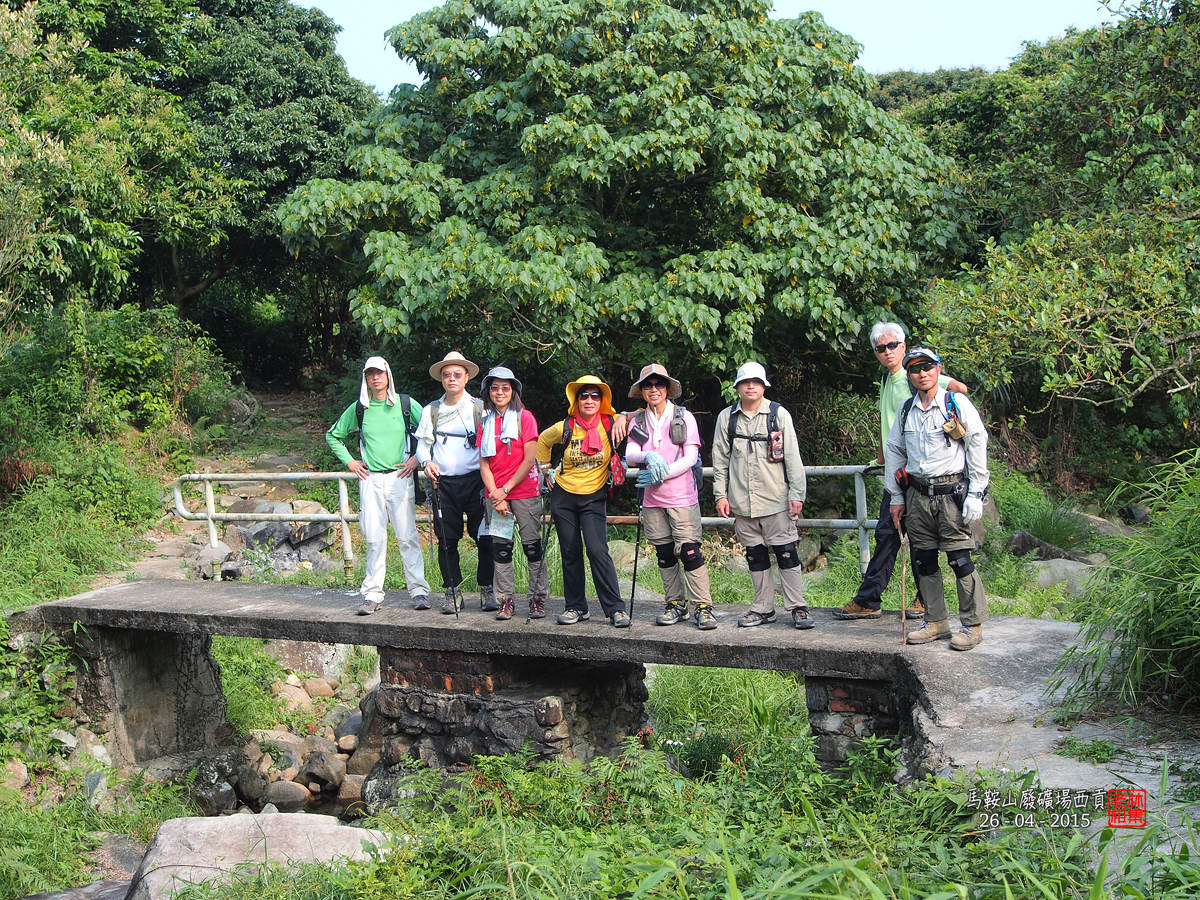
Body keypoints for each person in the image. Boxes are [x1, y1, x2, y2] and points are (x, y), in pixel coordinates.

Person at [836, 322, 969, 621]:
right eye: (881, 348)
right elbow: (889, 423)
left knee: (915, 538)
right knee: (890, 535)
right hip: (899, 475)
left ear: (903, 346)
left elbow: (958, 388)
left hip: (920, 474)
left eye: (892, 345)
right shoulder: (888, 378)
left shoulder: (913, 376)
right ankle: (873, 599)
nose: (887, 352)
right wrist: (883, 457)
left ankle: (912, 599)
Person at [884, 347, 990, 650]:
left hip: (951, 493)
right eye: (915, 369)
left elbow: (976, 442)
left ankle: (972, 625)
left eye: (927, 367)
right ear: (909, 375)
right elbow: (895, 451)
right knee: (924, 560)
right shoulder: (906, 409)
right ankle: (936, 621)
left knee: (959, 559)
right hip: (917, 495)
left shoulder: (955, 403)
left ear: (938, 369)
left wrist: (976, 492)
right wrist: (895, 497)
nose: (922, 373)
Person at [712, 362, 813, 629]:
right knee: (755, 556)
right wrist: (720, 495)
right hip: (741, 501)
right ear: (737, 387)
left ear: (764, 386)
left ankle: (798, 607)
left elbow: (792, 457)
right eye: (745, 382)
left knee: (786, 553)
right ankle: (763, 608)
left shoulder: (778, 414)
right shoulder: (727, 418)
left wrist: (797, 494)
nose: (750, 386)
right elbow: (720, 460)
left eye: (756, 382)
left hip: (776, 499)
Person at [325, 356, 429, 614]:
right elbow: (334, 435)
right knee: (373, 538)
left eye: (379, 373)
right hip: (370, 478)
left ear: (387, 375)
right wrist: (350, 462)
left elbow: (430, 431)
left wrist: (417, 458)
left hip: (400, 476)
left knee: (407, 537)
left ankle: (419, 591)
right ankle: (372, 594)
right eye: (370, 374)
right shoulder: (359, 408)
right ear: (366, 378)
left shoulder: (405, 404)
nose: (375, 378)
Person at [622, 364, 717, 630]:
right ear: (642, 390)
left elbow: (691, 457)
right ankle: (675, 603)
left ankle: (703, 606)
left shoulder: (683, 417)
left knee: (689, 551)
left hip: (682, 497)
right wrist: (648, 456)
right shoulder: (639, 421)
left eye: (659, 384)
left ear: (667, 388)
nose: (654, 389)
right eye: (648, 385)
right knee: (664, 553)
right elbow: (631, 454)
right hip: (652, 500)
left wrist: (661, 474)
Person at [536, 375, 630, 628]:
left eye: (595, 396)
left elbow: (642, 414)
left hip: (594, 497)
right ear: (576, 400)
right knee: (570, 552)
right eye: (584, 396)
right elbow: (543, 440)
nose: (589, 400)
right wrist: (545, 471)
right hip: (564, 495)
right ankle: (576, 607)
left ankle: (615, 609)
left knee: (598, 550)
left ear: (602, 400)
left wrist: (623, 415)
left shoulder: (610, 423)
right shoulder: (566, 426)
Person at [415, 351, 495, 614]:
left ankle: (487, 588)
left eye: (457, 374)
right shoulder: (431, 411)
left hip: (477, 482)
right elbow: (422, 446)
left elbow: (492, 444)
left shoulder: (480, 408)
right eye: (447, 374)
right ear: (441, 378)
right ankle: (452, 591)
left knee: (485, 537)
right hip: (443, 484)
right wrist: (427, 463)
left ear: (467, 377)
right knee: (447, 540)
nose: (452, 378)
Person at [477, 366, 549, 621]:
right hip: (496, 495)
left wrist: (505, 489)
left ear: (514, 391)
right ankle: (505, 600)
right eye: (495, 388)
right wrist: (496, 494)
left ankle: (537, 598)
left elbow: (529, 459)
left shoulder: (524, 418)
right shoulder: (485, 421)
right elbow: (483, 463)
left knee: (532, 546)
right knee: (501, 549)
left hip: (524, 491)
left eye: (505, 388)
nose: (500, 392)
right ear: (488, 391)